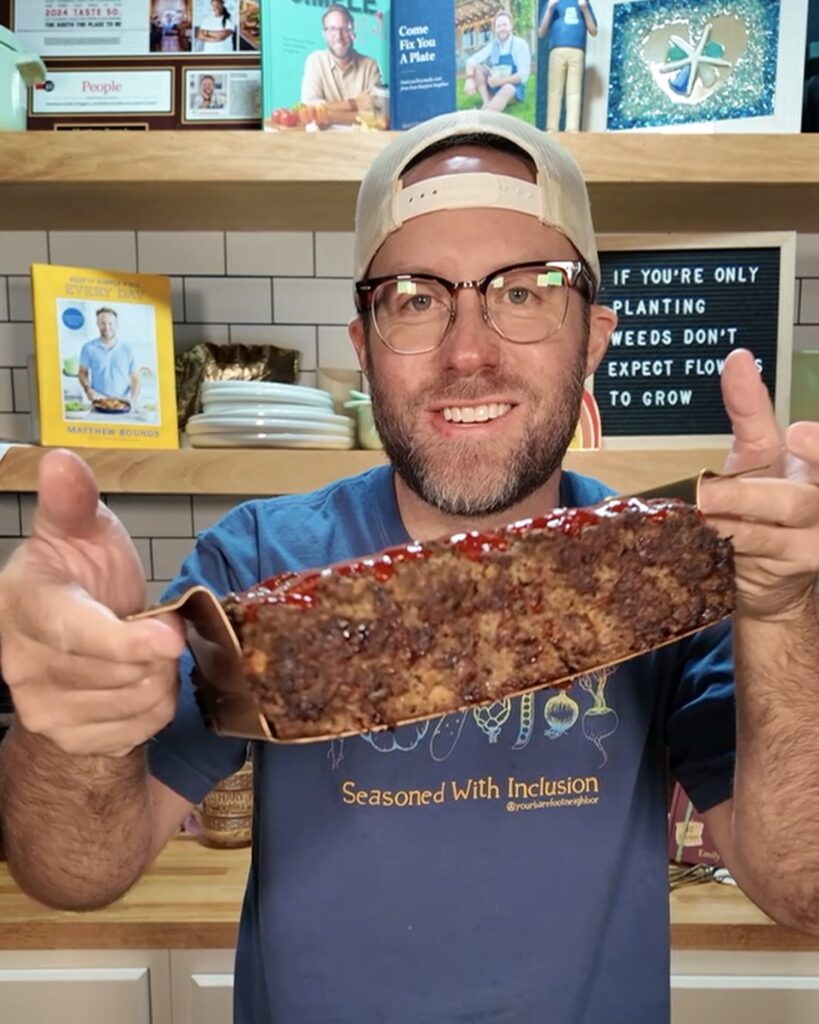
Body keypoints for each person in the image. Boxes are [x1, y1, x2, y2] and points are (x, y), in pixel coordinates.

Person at [1, 110, 818, 1024]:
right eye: (416, 298)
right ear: (363, 346)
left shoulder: (668, 571)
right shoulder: (257, 563)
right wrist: (77, 723)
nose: (469, 352)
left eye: (525, 291)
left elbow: (801, 887)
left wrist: (785, 613)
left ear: (593, 337)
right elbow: (74, 872)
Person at [300, 3, 382, 107]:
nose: (339, 36)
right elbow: (310, 108)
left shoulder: (370, 66)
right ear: (324, 35)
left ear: (353, 33)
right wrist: (354, 104)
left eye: (345, 29)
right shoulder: (315, 61)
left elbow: (376, 111)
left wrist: (328, 111)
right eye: (332, 29)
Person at [538, 0, 597, 131]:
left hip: (577, 51)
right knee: (554, 91)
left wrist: (585, 10)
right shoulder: (552, 2)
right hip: (556, 50)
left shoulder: (583, 2)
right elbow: (541, 32)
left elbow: (593, 30)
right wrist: (550, 9)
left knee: (574, 92)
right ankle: (552, 128)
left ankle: (572, 129)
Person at [464, 9, 532, 114]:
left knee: (508, 88)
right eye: (498, 26)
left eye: (504, 25)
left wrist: (500, 81)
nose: (501, 29)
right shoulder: (494, 45)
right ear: (495, 29)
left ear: (511, 26)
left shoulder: (520, 44)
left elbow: (523, 75)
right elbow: (471, 60)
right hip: (495, 86)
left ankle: (484, 115)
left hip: (512, 88)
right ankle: (487, 102)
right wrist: (469, 79)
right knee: (476, 68)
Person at [78, 307, 140, 406]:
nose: (107, 327)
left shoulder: (127, 349)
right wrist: (87, 389)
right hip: (99, 401)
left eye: (110, 323)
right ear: (97, 324)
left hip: (123, 402)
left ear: (117, 325)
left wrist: (133, 399)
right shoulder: (88, 348)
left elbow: (135, 377)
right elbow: (82, 372)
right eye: (103, 323)